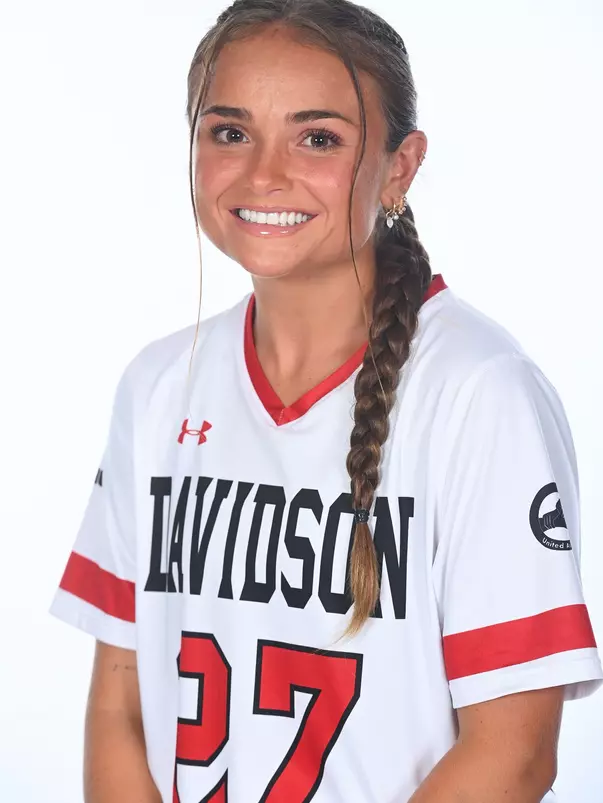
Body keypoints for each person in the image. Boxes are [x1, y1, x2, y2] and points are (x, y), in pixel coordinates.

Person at [50, 1, 603, 801]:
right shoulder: (158, 383)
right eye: (229, 131)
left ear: (398, 167)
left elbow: (513, 754)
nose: (263, 173)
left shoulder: (480, 393)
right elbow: (118, 705)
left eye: (318, 138)